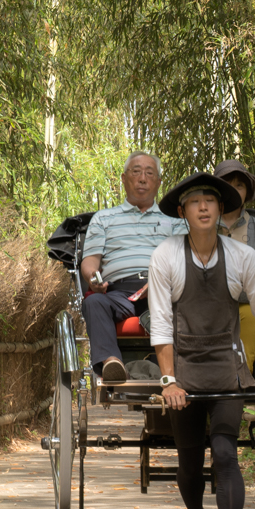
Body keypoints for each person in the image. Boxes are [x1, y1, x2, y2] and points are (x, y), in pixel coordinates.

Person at [147, 172, 255, 509]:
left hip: (227, 368)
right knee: (189, 463)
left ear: (221, 209)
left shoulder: (243, 257)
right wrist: (169, 381)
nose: (203, 207)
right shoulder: (166, 256)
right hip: (184, 369)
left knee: (225, 453)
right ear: (183, 212)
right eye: (195, 201)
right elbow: (161, 324)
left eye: (210, 200)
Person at [80, 153, 182, 384]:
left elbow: (183, 262)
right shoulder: (104, 219)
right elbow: (90, 261)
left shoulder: (175, 221)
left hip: (163, 288)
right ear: (124, 179)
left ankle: (182, 367)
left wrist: (159, 282)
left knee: (190, 302)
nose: (142, 178)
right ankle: (112, 363)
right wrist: (93, 278)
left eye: (149, 173)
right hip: (118, 293)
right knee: (94, 302)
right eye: (136, 172)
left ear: (159, 182)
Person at [215, 158, 255, 377]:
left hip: (247, 300)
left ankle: (242, 376)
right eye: (227, 185)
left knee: (252, 315)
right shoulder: (204, 223)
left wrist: (242, 288)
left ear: (247, 192)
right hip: (212, 300)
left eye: (239, 185)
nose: (233, 190)